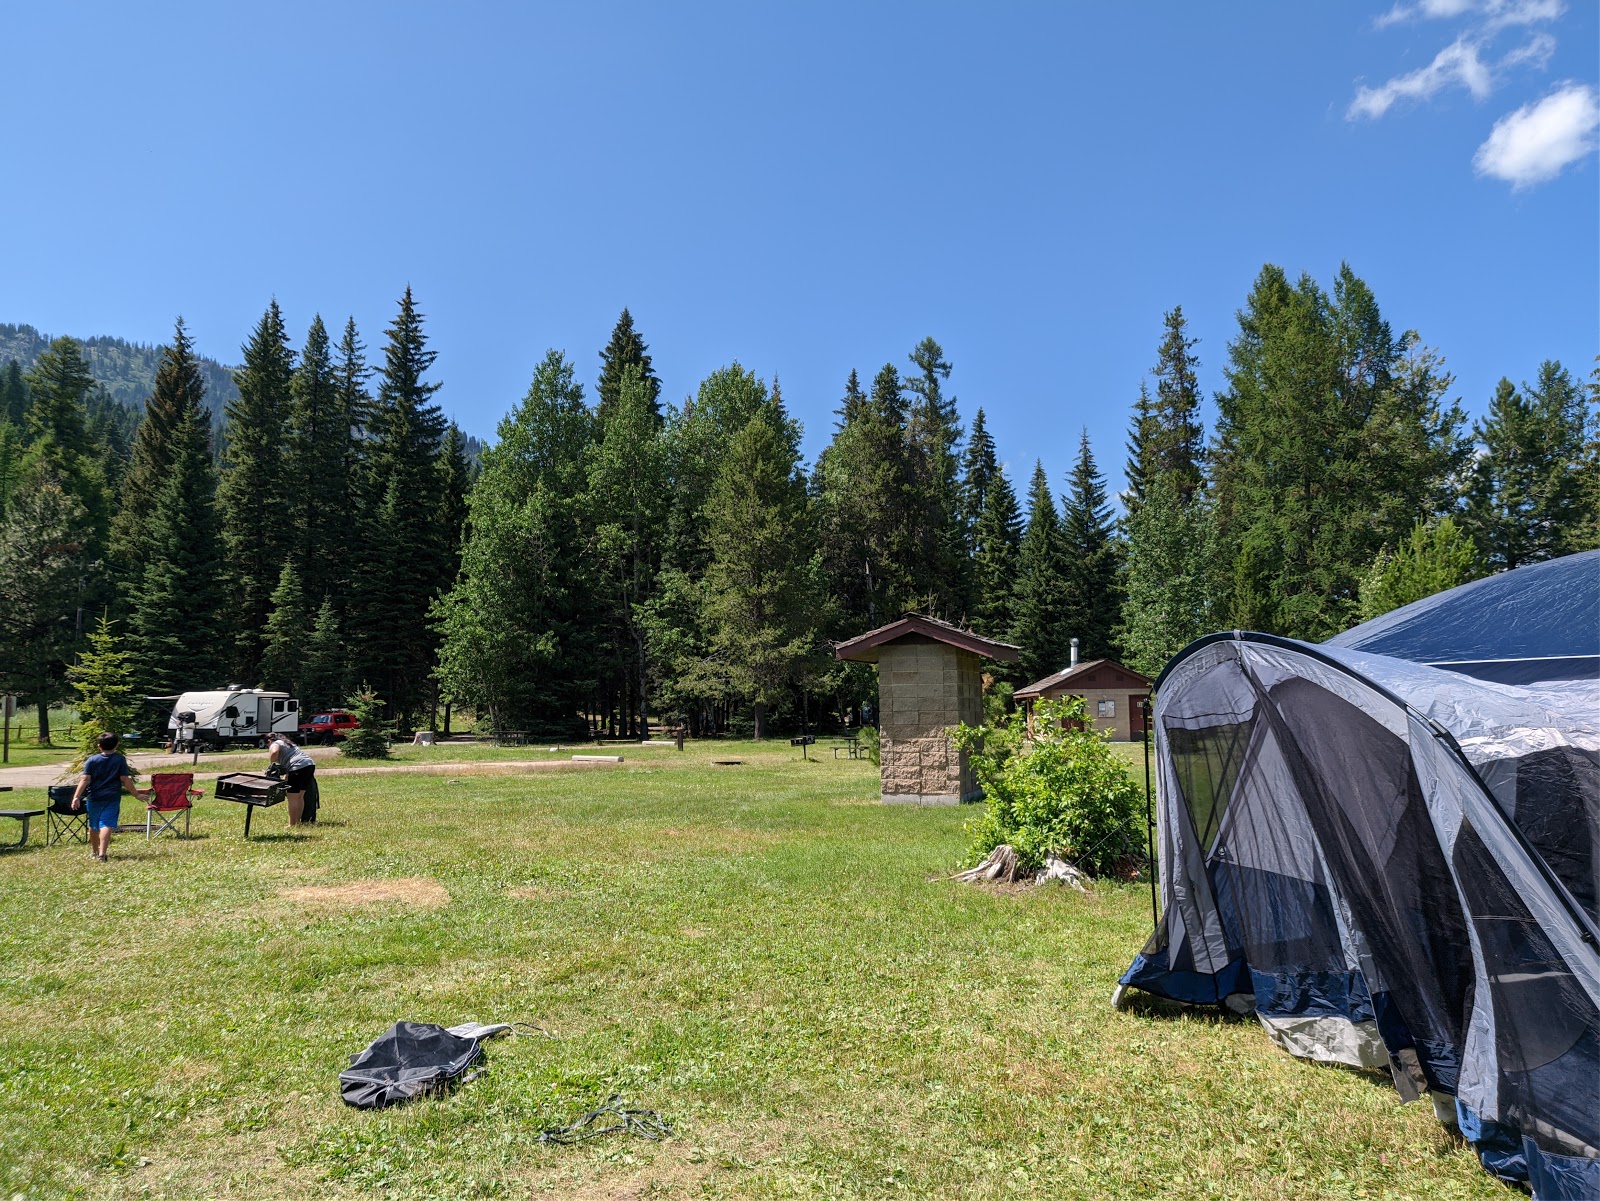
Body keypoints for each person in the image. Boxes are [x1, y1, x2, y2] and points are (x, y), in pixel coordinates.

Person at [72, 732, 150, 862]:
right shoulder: (119, 759)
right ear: (116, 745)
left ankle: (94, 851)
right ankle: (102, 854)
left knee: (93, 824)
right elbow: (125, 779)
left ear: (99, 746)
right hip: (112, 797)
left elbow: (85, 779)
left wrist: (76, 797)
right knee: (106, 824)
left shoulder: (92, 760)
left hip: (94, 797)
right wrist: (136, 794)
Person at [266, 733, 316, 827]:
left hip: (297, 767)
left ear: (269, 741)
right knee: (300, 796)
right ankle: (297, 822)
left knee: (292, 798)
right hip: (309, 765)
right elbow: (292, 758)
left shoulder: (275, 743)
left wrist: (271, 763)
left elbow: (274, 752)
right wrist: (288, 775)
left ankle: (292, 824)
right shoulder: (288, 743)